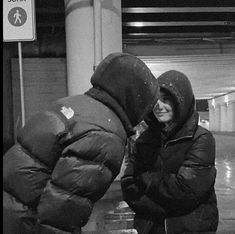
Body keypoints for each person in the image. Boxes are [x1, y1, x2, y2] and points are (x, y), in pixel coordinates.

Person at [3, 52, 159, 234]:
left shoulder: (71, 104)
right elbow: (61, 214)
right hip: (25, 224)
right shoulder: (106, 135)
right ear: (136, 99)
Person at [121, 70, 219, 234]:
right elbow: (129, 185)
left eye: (166, 100)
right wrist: (161, 208)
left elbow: (186, 191)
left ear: (181, 102)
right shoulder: (145, 139)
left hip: (189, 227)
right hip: (150, 227)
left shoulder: (201, 138)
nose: (159, 106)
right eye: (155, 100)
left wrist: (146, 178)